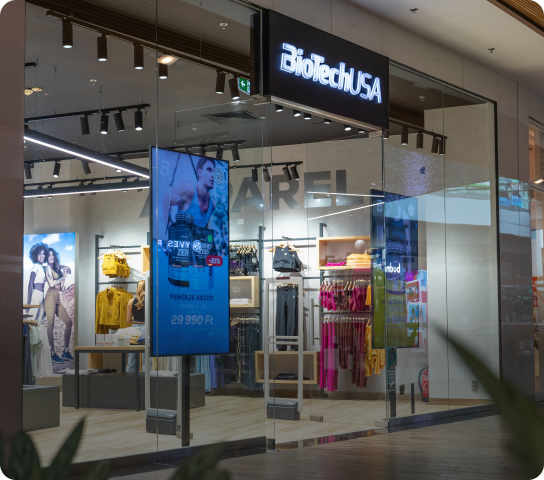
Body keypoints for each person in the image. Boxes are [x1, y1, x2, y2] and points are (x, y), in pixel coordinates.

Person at [162, 157, 216, 231]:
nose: (213, 175)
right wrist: (170, 228)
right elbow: (165, 199)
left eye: (214, 172)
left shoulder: (212, 204)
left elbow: (204, 224)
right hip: (181, 237)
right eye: (209, 170)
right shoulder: (187, 188)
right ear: (200, 172)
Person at [44, 247, 73, 364]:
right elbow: (51, 284)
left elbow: (60, 288)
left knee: (69, 323)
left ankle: (65, 351)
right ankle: (52, 353)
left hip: (57, 299)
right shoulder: (47, 268)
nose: (51, 257)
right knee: (51, 326)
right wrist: (63, 277)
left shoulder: (56, 268)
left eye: (52, 255)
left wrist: (64, 274)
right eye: (49, 255)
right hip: (50, 298)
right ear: (46, 257)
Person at [126, 280, 148, 372]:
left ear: (137, 289)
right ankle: (146, 380)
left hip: (134, 328)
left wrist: (134, 318)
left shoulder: (131, 301)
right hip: (146, 328)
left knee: (131, 359)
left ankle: (129, 379)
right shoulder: (150, 300)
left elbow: (128, 320)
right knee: (146, 360)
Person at [26, 243, 47, 323]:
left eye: (43, 254)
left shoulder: (43, 268)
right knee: (30, 321)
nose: (42, 256)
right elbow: (30, 284)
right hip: (36, 295)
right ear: (35, 255)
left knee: (38, 321)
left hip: (42, 296)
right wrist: (28, 303)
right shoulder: (35, 266)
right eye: (39, 254)